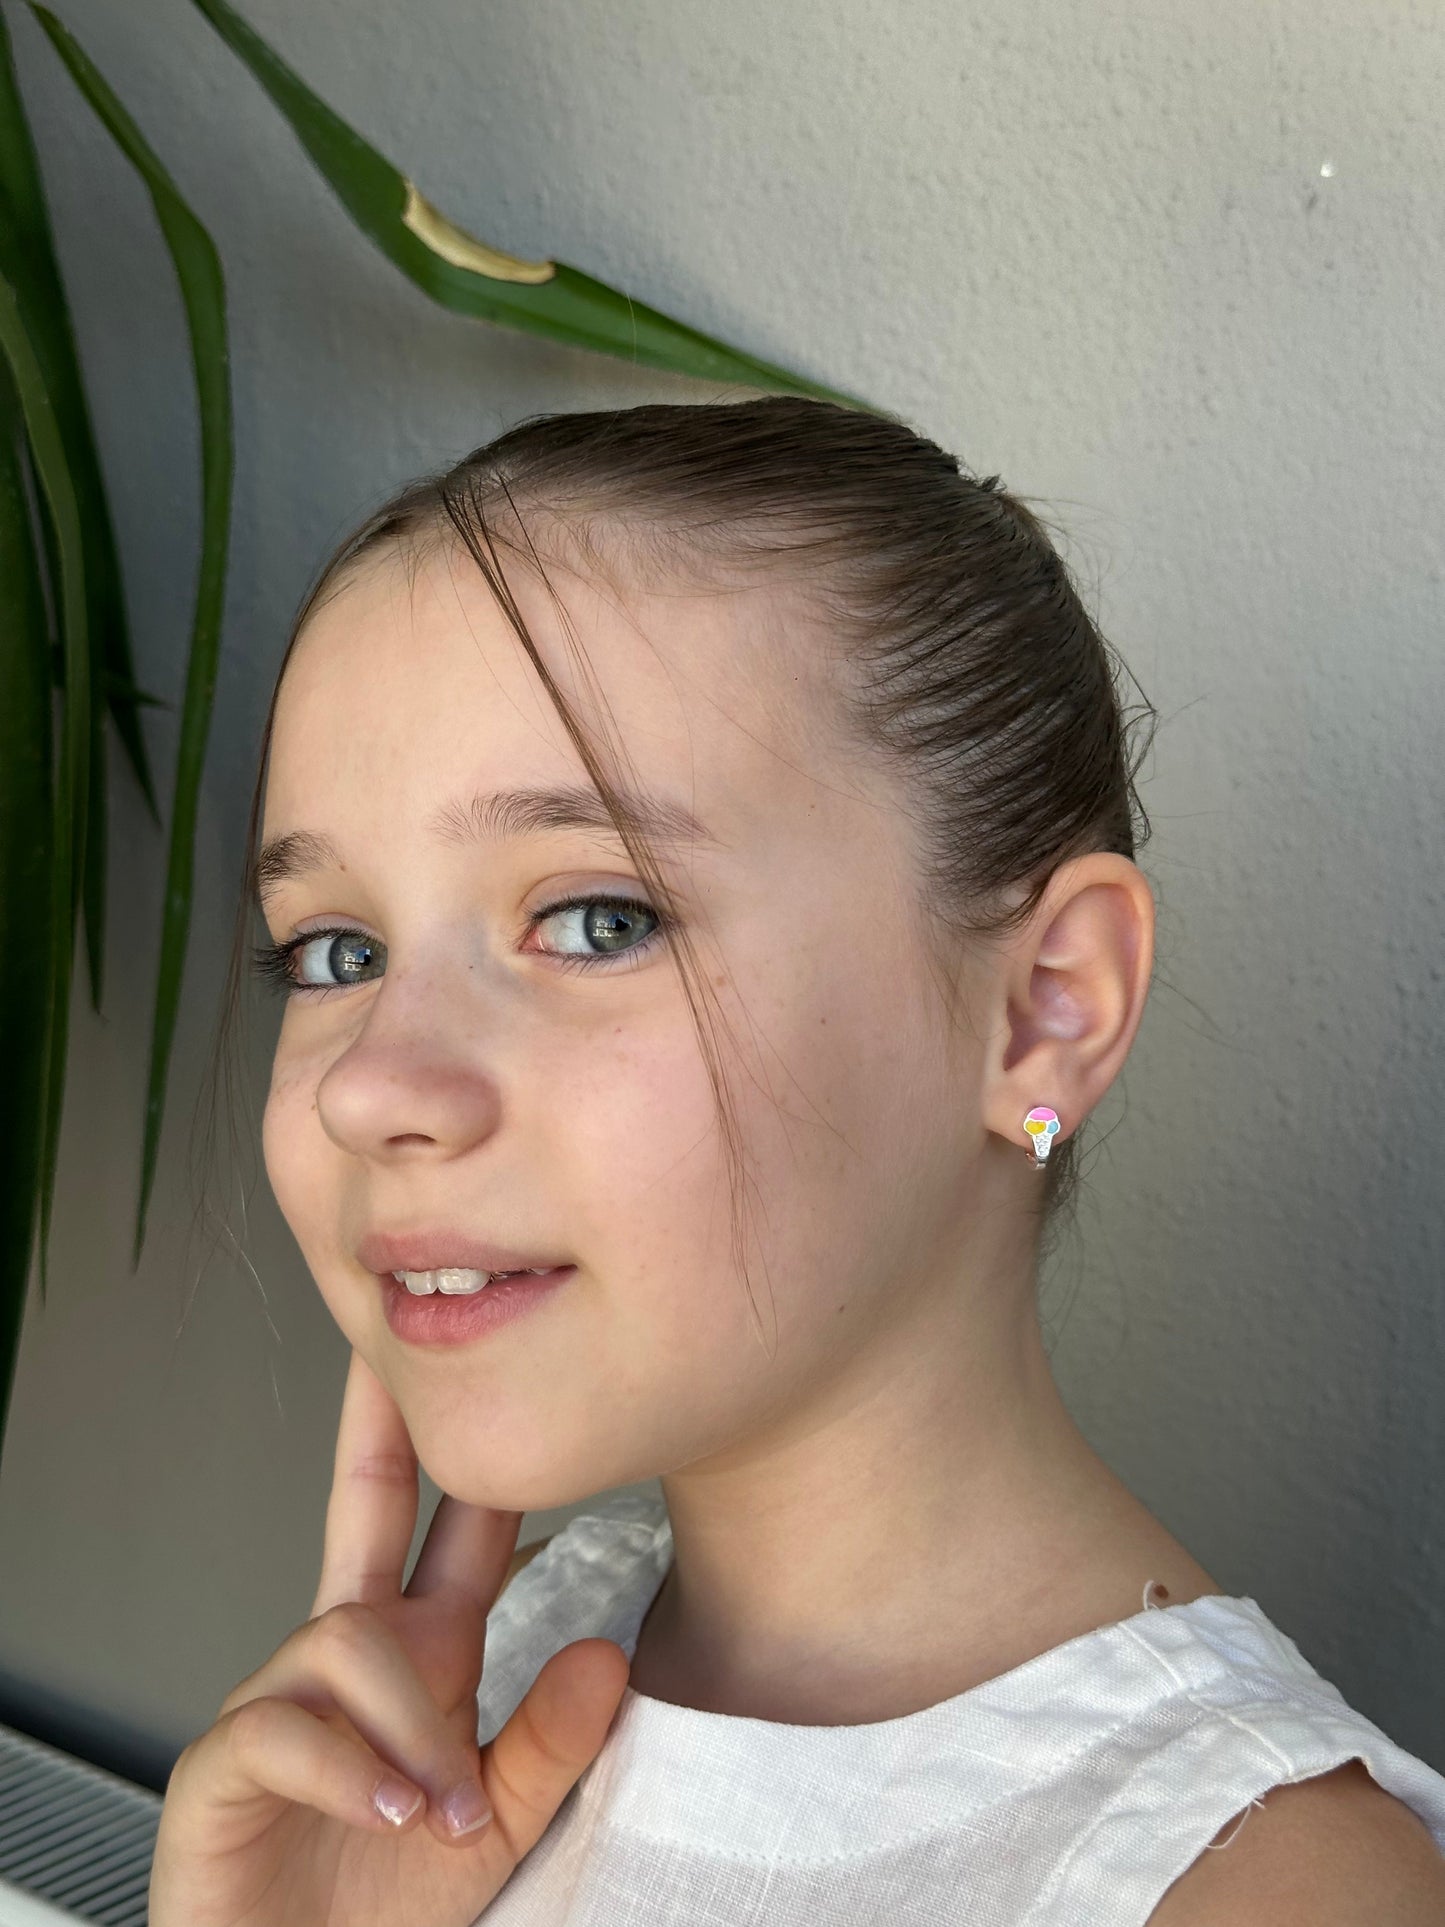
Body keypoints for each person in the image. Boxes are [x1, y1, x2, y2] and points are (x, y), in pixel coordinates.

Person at [150, 397, 1445, 1925]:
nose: (372, 1085)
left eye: (595, 921)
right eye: (335, 948)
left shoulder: (1263, 1894)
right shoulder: (492, 1682)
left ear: (1041, 1016)